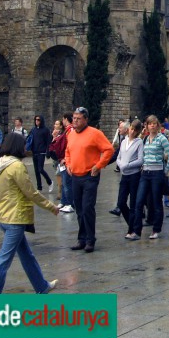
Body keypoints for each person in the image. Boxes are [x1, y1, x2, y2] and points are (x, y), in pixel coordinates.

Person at [0, 133, 59, 294]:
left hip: (2, 217)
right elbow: (31, 192)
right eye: (24, 145)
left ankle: (41, 286)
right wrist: (51, 206)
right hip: (16, 218)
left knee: (26, 253)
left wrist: (2, 202)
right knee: (3, 261)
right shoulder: (16, 166)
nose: (25, 148)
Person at [64, 107, 114, 253]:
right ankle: (82, 238)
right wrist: (68, 163)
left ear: (86, 119)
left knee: (87, 207)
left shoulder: (95, 133)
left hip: (89, 176)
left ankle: (90, 239)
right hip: (75, 176)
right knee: (79, 208)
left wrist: (99, 165)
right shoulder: (71, 134)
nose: (75, 121)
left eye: (78, 118)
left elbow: (108, 149)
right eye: (74, 118)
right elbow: (68, 151)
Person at [128, 115, 169, 240]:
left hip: (157, 173)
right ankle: (137, 231)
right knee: (139, 202)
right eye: (150, 124)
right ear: (146, 126)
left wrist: (165, 171)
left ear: (158, 125)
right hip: (145, 173)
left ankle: (156, 230)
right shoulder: (145, 139)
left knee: (156, 202)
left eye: (154, 123)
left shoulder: (162, 139)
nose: (152, 126)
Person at [115, 120, 143, 234]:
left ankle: (132, 229)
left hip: (134, 175)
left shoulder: (139, 142)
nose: (131, 131)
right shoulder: (124, 141)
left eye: (133, 129)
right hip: (124, 175)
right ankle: (132, 224)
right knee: (121, 202)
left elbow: (141, 160)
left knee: (133, 204)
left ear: (137, 131)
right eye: (130, 128)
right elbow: (119, 156)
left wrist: (128, 165)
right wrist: (121, 165)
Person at [50, 112, 75, 213]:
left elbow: (69, 145)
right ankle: (64, 201)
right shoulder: (66, 131)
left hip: (66, 160)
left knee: (66, 182)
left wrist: (65, 158)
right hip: (63, 159)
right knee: (64, 182)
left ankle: (69, 203)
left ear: (65, 119)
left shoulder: (70, 130)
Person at [29, 115, 53, 192]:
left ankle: (49, 181)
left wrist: (48, 152)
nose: (37, 121)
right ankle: (39, 187)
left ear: (41, 120)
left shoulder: (45, 130)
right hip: (34, 152)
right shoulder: (33, 130)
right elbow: (30, 139)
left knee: (40, 169)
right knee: (36, 170)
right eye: (36, 119)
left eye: (38, 120)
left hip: (42, 152)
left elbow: (48, 142)